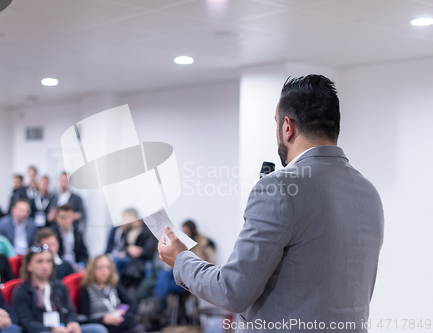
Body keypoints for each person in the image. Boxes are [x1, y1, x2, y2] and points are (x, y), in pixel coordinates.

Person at [158, 75, 385, 333]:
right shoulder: (369, 192)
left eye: (276, 123)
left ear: (287, 127)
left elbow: (232, 291)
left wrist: (181, 260)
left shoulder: (279, 187)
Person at [12, 244, 108, 333]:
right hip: (43, 330)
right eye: (39, 261)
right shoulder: (22, 291)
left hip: (63, 328)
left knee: (98, 330)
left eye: (49, 261)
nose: (45, 266)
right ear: (29, 266)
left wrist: (72, 322)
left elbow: (70, 310)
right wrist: (52, 329)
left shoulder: (60, 286)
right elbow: (27, 323)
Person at [79, 255, 144, 333]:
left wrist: (121, 313)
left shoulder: (113, 285)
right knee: (129, 320)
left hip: (118, 320)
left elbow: (132, 303)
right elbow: (85, 318)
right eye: (100, 268)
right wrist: (104, 319)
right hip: (101, 323)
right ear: (92, 270)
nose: (104, 271)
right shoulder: (87, 289)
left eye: (107, 267)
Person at [49, 205, 88, 269]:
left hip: (76, 265)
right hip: (59, 266)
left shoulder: (77, 232)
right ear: (57, 218)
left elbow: (84, 254)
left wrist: (82, 264)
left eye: (69, 217)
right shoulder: (51, 233)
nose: (66, 220)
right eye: (63, 218)